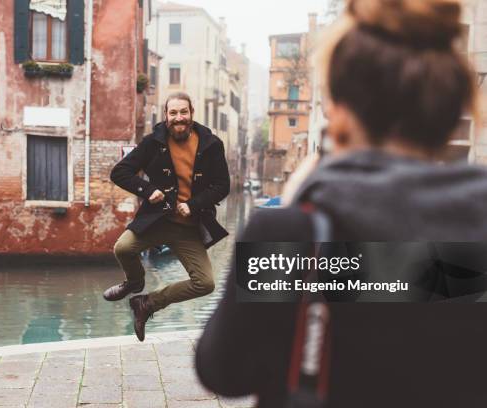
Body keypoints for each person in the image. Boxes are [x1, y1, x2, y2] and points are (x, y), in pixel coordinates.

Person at [196, 0, 487, 407]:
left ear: (342, 116)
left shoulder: (292, 235)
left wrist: (297, 207)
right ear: (450, 108)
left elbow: (223, 371)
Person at [105, 92, 230, 341]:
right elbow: (120, 172)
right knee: (122, 249)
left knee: (205, 283)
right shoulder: (153, 143)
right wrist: (148, 190)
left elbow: (222, 186)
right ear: (166, 116)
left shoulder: (211, 144)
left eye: (183, 112)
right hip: (157, 221)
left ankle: (147, 303)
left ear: (192, 113)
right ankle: (135, 283)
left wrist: (193, 205)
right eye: (173, 113)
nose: (178, 118)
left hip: (189, 228)